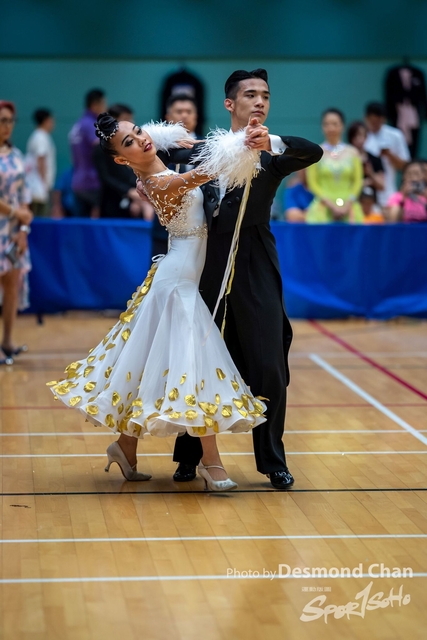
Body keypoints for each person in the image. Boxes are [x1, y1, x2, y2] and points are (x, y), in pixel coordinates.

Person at [48, 113, 267, 492]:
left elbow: (162, 144)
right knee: (193, 368)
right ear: (121, 159)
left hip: (176, 277)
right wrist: (240, 143)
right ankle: (211, 463)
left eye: (138, 132)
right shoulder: (160, 183)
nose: (141, 139)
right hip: (178, 285)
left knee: (146, 367)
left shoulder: (153, 173)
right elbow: (211, 170)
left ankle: (125, 448)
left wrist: (170, 138)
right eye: (129, 143)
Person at [153, 68, 323, 490]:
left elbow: (313, 151)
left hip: (255, 262)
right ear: (230, 103)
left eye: (265, 95)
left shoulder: (273, 155)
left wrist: (272, 141)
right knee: (197, 359)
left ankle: (272, 461)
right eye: (250, 94)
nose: (259, 101)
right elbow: (158, 163)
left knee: (269, 365)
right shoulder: (207, 150)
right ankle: (190, 455)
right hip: (208, 262)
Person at [0, 101, 33, 363]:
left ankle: (8, 341)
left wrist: (22, 229)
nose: (7, 125)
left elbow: (25, 197)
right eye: (2, 120)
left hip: (12, 232)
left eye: (10, 120)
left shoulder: (17, 155)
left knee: (12, 286)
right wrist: (15, 213)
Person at [93, 104, 154, 220]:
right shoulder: (100, 149)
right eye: (126, 119)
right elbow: (105, 177)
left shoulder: (142, 145)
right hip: (112, 201)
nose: (130, 122)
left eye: (131, 119)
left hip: (135, 201)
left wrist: (138, 195)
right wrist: (128, 191)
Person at [306, 108, 364, 223]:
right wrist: (331, 205)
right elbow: (312, 183)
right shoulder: (314, 153)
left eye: (335, 124)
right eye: (326, 124)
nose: (331, 128)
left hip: (349, 208)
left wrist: (347, 204)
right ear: (322, 127)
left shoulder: (353, 153)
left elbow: (358, 182)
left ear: (342, 126)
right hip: (322, 208)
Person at [364, 102, 410, 208]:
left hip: (389, 193)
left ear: (383, 119)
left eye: (378, 121)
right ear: (366, 118)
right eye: (372, 121)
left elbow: (405, 166)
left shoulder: (395, 135)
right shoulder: (362, 136)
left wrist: (389, 154)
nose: (375, 125)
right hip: (366, 195)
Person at [69, 88, 107, 218]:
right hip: (92, 182)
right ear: (95, 104)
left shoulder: (77, 125)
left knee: (81, 224)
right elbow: (100, 148)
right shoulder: (91, 125)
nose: (105, 108)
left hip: (77, 182)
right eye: (103, 104)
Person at [25, 108, 56, 217]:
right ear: (46, 120)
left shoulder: (38, 136)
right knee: (40, 218)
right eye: (51, 120)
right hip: (38, 188)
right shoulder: (41, 137)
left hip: (37, 187)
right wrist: (44, 185)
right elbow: (41, 160)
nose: (53, 123)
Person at [347, 120, 384, 200]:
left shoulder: (374, 159)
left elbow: (382, 186)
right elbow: (344, 184)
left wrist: (370, 173)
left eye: (361, 135)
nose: (359, 139)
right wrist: (367, 182)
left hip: (371, 202)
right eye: (355, 136)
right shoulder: (345, 159)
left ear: (366, 137)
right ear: (350, 138)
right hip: (350, 200)